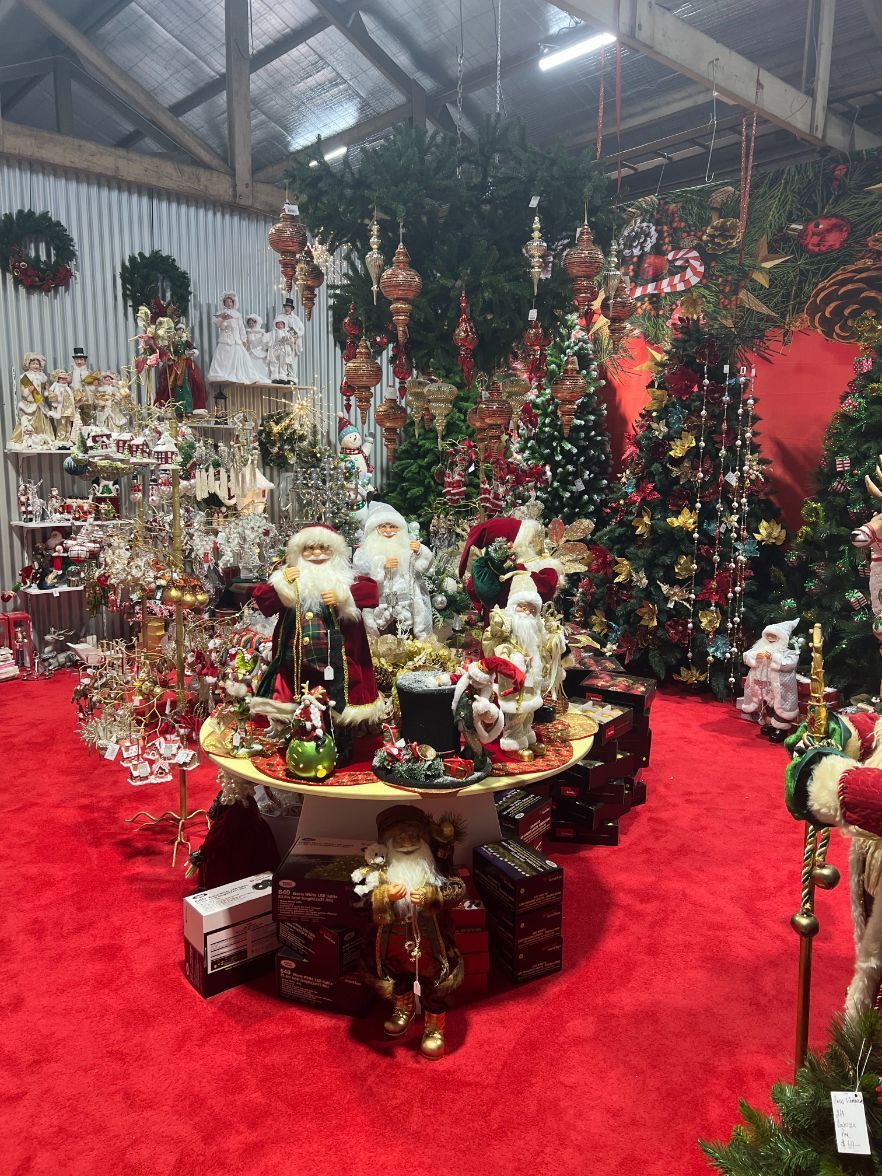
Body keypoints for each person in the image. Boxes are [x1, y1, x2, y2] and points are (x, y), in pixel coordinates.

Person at [249, 523, 386, 733]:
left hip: (339, 661)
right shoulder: (290, 579)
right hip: (295, 664)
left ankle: (340, 735)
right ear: (298, 553)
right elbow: (264, 602)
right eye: (309, 549)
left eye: (324, 548)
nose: (317, 554)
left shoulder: (345, 578)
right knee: (298, 695)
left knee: (340, 700)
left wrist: (345, 596)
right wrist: (281, 583)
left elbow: (371, 592)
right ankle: (299, 731)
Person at [355, 805, 465, 1059]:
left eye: (413, 836)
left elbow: (458, 889)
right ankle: (401, 1008)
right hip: (392, 942)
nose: (406, 843)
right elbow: (355, 902)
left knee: (436, 983)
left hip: (432, 942)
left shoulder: (437, 865)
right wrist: (382, 896)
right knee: (397, 977)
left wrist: (433, 896)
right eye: (399, 838)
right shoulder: (375, 868)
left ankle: (434, 1026)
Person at [353, 502, 434, 639]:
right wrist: (381, 564)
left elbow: (425, 566)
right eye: (383, 527)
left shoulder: (407, 546)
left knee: (407, 639)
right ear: (374, 529)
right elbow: (360, 566)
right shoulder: (365, 550)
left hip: (405, 604)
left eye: (393, 527)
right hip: (378, 604)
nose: (388, 530)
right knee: (379, 639)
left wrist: (420, 552)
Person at [458, 516, 562, 620]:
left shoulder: (522, 565)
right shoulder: (501, 571)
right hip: (504, 627)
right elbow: (546, 587)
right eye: (529, 540)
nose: (534, 544)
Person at [740, 619, 800, 741]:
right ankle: (770, 723)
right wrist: (756, 657)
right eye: (768, 635)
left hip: (780, 685)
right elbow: (747, 655)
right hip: (763, 683)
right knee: (766, 704)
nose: (770, 637)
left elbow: (791, 663)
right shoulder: (760, 647)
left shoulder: (788, 651)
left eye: (774, 635)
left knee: (780, 704)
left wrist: (774, 658)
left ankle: (781, 728)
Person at [207, 292, 262, 384]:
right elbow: (219, 325)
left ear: (233, 303)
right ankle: (223, 374)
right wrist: (223, 320)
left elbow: (241, 328)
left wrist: (244, 339)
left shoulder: (238, 315)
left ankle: (240, 374)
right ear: (224, 303)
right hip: (225, 339)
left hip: (236, 340)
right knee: (224, 357)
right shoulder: (220, 314)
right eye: (227, 302)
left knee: (240, 357)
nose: (229, 303)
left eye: (230, 302)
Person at [10, 352, 53, 448]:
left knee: (42, 420)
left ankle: (42, 439)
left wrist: (46, 390)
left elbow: (44, 392)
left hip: (40, 403)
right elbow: (23, 393)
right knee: (28, 420)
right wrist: (28, 391)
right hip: (30, 403)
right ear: (28, 365)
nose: (35, 366)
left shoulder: (42, 377)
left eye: (37, 364)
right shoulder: (25, 377)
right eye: (33, 363)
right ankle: (27, 438)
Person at [45, 369, 79, 448]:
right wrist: (56, 397)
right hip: (61, 410)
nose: (63, 381)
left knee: (68, 425)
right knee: (61, 425)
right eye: (61, 379)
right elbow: (50, 395)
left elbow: (71, 398)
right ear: (58, 379)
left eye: (65, 379)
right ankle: (60, 440)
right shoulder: (56, 387)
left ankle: (67, 439)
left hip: (69, 410)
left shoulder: (68, 388)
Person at [265, 316, 298, 384]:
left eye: (281, 324)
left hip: (284, 351)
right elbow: (266, 338)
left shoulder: (288, 331)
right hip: (275, 350)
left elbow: (294, 337)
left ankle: (283, 377)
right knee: (274, 363)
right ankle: (274, 377)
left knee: (283, 364)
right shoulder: (273, 332)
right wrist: (263, 336)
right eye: (278, 324)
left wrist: (289, 339)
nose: (280, 326)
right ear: (275, 324)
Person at [244, 314, 268, 381]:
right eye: (249, 323)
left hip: (259, 352)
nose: (251, 325)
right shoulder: (247, 332)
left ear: (255, 323)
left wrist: (263, 337)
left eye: (252, 323)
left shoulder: (261, 332)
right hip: (250, 351)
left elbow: (265, 343)